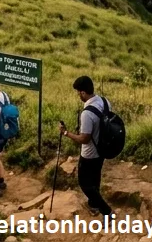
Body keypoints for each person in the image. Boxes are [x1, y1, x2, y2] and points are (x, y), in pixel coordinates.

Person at [60, 75, 113, 217]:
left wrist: (66, 133)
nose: (78, 95)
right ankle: (93, 204)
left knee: (84, 183)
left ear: (83, 92)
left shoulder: (87, 113)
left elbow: (84, 138)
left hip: (89, 153)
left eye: (78, 92)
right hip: (103, 149)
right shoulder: (105, 102)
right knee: (95, 178)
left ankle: (106, 210)